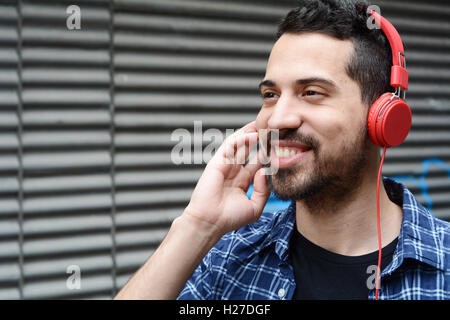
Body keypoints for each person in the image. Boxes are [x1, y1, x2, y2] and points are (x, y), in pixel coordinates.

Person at [115, 0, 450, 300]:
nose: (277, 120)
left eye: (312, 92)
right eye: (271, 95)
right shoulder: (230, 259)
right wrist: (198, 225)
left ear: (383, 116)